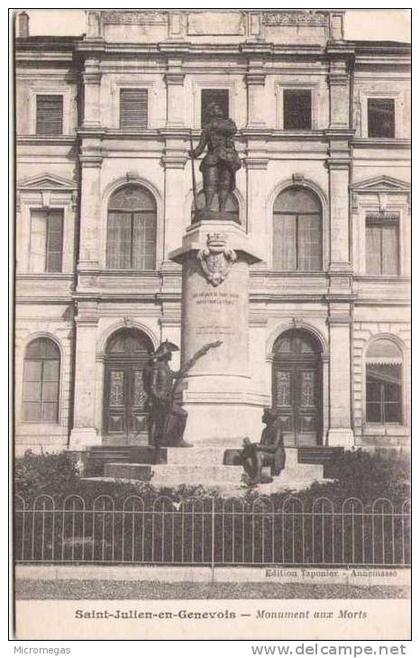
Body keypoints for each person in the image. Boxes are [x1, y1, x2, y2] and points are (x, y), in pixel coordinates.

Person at [189, 102, 241, 213]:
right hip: (212, 158)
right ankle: (208, 206)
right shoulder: (207, 129)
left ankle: (222, 208)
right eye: (216, 108)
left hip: (228, 157)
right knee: (209, 182)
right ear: (211, 112)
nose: (219, 109)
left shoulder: (228, 124)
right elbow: (201, 146)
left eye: (218, 107)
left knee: (225, 184)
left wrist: (214, 125)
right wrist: (194, 153)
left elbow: (233, 130)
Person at [240, 408, 286, 486]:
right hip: (266, 454)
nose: (262, 417)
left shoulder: (277, 430)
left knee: (259, 454)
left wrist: (258, 446)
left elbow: (274, 447)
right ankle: (261, 477)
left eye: (264, 415)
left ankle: (257, 478)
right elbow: (263, 445)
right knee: (248, 458)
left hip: (276, 456)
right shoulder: (265, 431)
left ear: (269, 418)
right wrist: (252, 445)